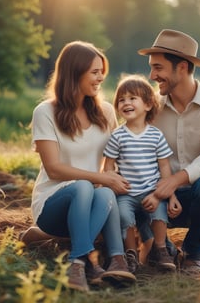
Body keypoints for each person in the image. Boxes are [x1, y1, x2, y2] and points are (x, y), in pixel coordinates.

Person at [29, 40, 136, 292]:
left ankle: (112, 260)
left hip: (92, 202)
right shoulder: (45, 112)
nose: (101, 78)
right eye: (94, 72)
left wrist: (118, 179)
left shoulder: (106, 112)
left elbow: (115, 160)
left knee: (104, 190)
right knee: (85, 187)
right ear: (74, 72)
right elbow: (54, 169)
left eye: (102, 72)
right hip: (52, 203)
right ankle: (83, 261)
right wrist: (100, 178)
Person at [137, 29, 200, 276]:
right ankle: (164, 248)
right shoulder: (151, 107)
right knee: (130, 190)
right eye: (151, 68)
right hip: (161, 199)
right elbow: (136, 153)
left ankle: (193, 250)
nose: (152, 75)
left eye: (158, 68)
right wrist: (163, 190)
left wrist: (174, 181)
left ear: (181, 67)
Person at [103, 74, 182, 274]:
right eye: (121, 100)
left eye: (132, 98)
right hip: (126, 194)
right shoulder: (117, 135)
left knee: (159, 213)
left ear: (147, 105)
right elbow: (108, 166)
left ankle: (161, 249)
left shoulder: (155, 135)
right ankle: (131, 255)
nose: (126, 103)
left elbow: (165, 168)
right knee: (123, 216)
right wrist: (113, 183)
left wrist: (167, 194)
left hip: (151, 192)